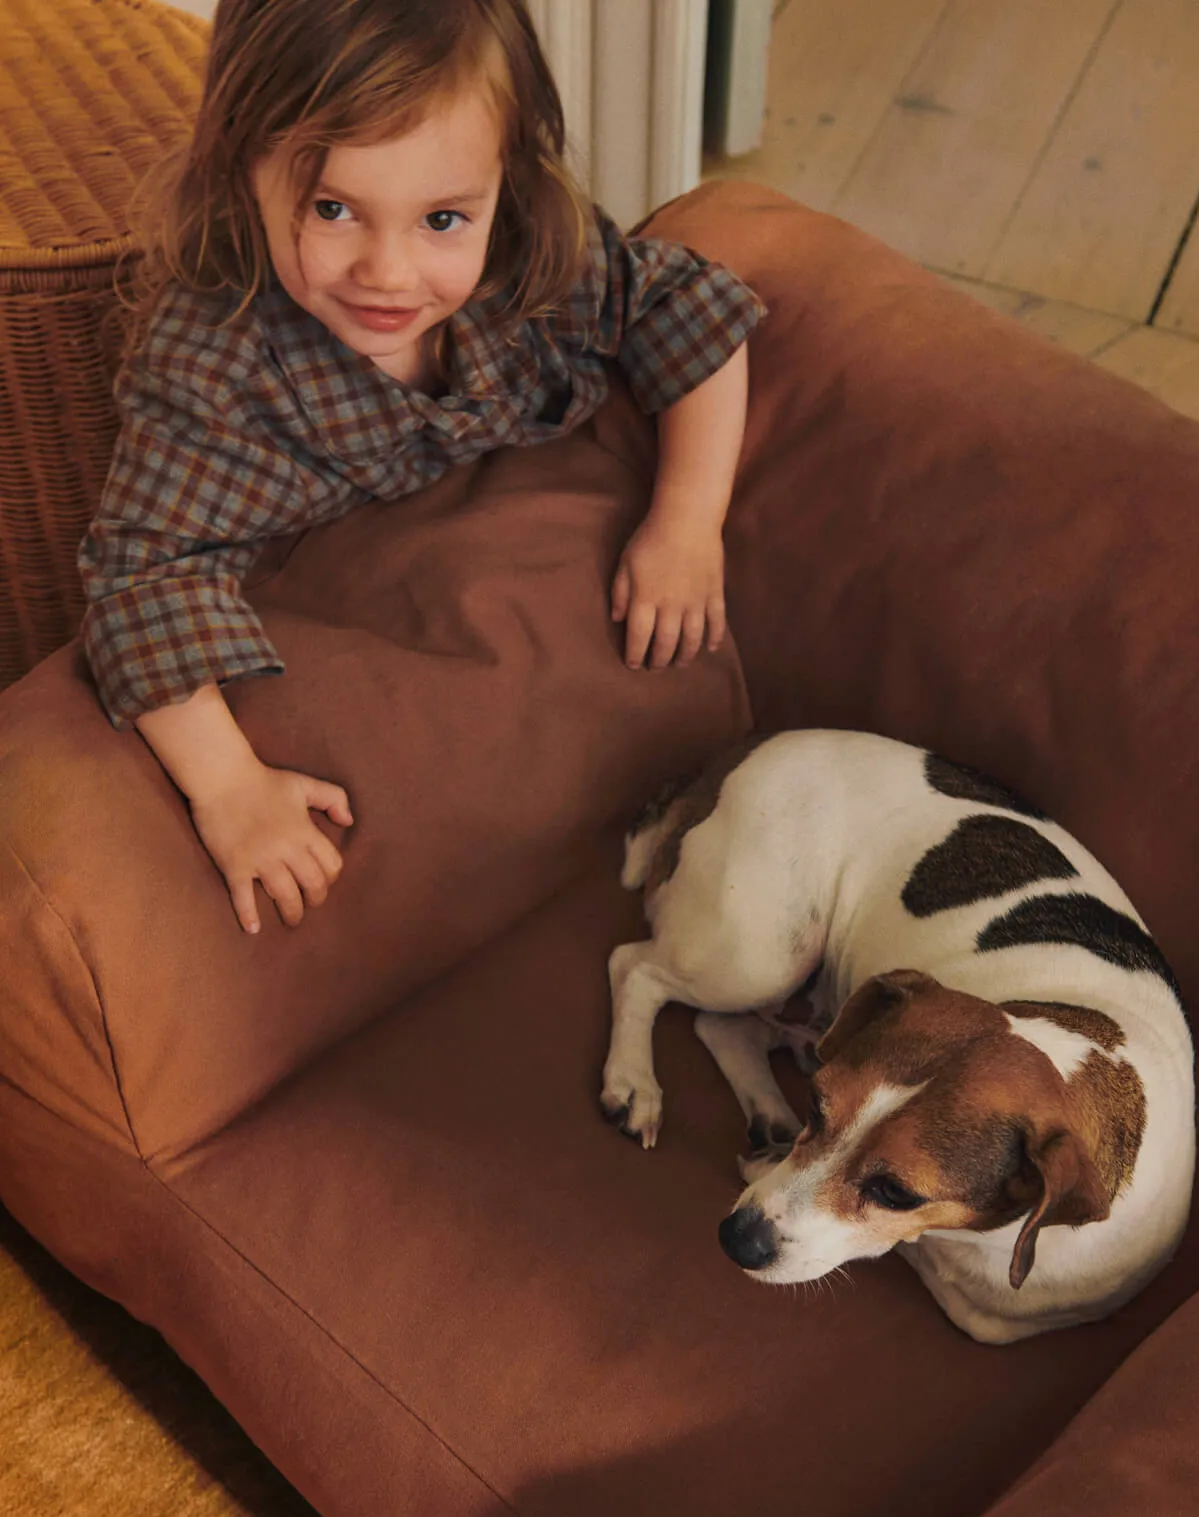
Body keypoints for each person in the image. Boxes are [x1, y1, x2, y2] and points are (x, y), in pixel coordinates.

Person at [79, 0, 764, 937]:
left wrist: (686, 521)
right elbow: (140, 577)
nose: (389, 273)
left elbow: (690, 309)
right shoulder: (211, 367)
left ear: (506, 181)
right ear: (242, 171)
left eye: (442, 218)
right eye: (333, 210)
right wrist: (230, 789)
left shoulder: (530, 252)